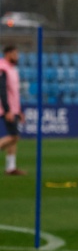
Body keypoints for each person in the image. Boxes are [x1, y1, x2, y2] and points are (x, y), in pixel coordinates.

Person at [0, 45, 25, 176]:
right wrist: (8, 109)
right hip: (6, 108)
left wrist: (19, 110)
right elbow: (2, 90)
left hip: (13, 108)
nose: (17, 56)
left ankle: (11, 167)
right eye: (15, 54)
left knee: (14, 138)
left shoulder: (12, 69)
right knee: (14, 136)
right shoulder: (3, 68)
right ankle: (11, 166)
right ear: (8, 54)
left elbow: (14, 93)